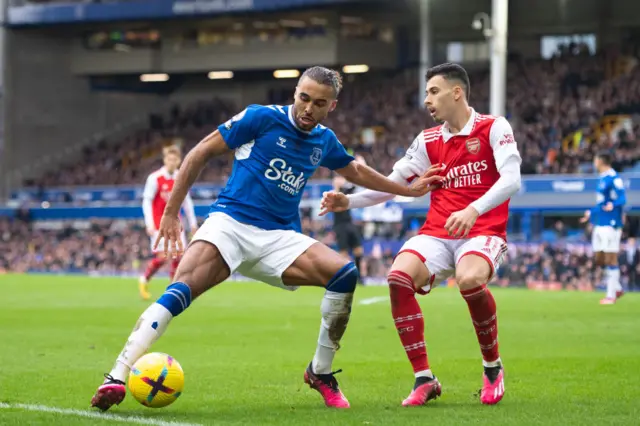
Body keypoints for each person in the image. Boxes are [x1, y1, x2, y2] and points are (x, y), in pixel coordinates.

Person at [90, 66, 442, 411]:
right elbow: (200, 152)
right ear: (295, 93)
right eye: (304, 98)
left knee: (344, 274)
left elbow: (356, 171)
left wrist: (407, 192)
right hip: (230, 224)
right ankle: (116, 376)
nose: (308, 108)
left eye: (319, 103)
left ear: (331, 106)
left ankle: (320, 371)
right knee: (181, 288)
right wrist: (171, 212)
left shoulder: (324, 141)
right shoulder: (260, 118)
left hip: (278, 238)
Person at [320, 63, 522, 406]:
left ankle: (492, 367)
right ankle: (424, 378)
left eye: (433, 91)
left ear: (456, 92)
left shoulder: (493, 127)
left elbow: (512, 179)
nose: (426, 100)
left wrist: (473, 209)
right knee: (398, 278)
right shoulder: (427, 140)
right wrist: (348, 201)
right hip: (438, 232)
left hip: (483, 230)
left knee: (470, 280)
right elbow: (390, 185)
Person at [139, 145, 198, 300]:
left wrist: (192, 223)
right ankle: (144, 280)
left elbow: (187, 203)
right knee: (163, 257)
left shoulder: (181, 177)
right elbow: (147, 201)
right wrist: (149, 223)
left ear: (179, 161)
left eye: (175, 159)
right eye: (169, 159)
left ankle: (172, 289)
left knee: (179, 258)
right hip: (159, 225)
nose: (172, 162)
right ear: (165, 160)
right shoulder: (155, 178)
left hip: (177, 226)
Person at [580, 151, 626, 304]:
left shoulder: (614, 178)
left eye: (595, 159)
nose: (594, 162)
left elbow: (622, 198)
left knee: (610, 258)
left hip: (611, 224)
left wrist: (614, 204)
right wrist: (590, 213)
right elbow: (601, 204)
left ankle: (611, 296)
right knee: (600, 258)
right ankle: (617, 288)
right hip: (600, 223)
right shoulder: (602, 179)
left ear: (601, 161)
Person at [331, 155, 366, 274]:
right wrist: (336, 187)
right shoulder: (332, 193)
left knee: (358, 250)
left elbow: (356, 186)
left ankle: (360, 277)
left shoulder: (346, 192)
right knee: (343, 253)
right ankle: (346, 275)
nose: (340, 180)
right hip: (340, 225)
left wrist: (361, 164)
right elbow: (336, 205)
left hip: (349, 223)